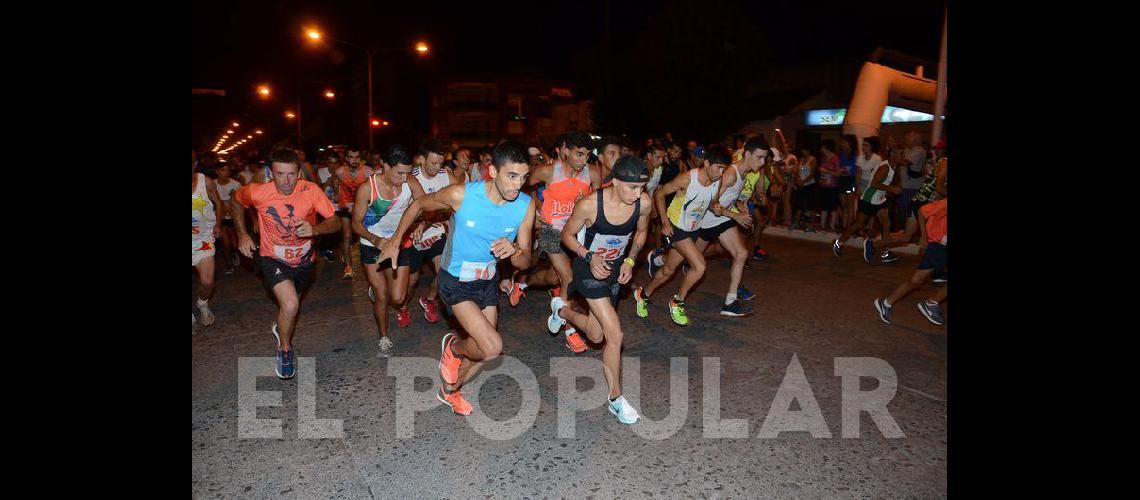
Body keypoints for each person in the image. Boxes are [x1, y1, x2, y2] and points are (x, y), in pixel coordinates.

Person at [378, 140, 536, 416]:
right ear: (493, 171)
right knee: (493, 344)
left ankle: (450, 392)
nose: (517, 185)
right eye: (512, 176)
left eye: (523, 177)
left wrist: (516, 250)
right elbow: (418, 206)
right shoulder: (461, 195)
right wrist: (395, 240)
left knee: (487, 353)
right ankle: (453, 347)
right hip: (455, 280)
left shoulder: (524, 205)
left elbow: (525, 261)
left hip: (487, 280)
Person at [548, 155, 651, 424]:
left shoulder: (644, 202)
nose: (638, 193)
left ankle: (563, 311)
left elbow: (641, 233)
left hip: (615, 269)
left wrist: (630, 259)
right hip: (588, 267)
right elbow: (566, 236)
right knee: (615, 334)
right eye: (632, 187)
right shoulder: (590, 204)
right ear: (615, 181)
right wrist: (589, 256)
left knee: (595, 335)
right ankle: (615, 399)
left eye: (642, 187)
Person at [231, 149, 340, 379]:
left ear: (299, 173)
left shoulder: (311, 191)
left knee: (289, 308)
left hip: (304, 260)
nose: (286, 181)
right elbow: (235, 200)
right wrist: (242, 234)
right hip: (272, 257)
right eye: (280, 174)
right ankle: (285, 349)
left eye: (291, 174)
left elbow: (335, 221)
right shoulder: (259, 192)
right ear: (271, 173)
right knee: (291, 305)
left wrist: (315, 229)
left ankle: (281, 326)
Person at [504, 132, 600, 352]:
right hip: (549, 230)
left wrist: (585, 203)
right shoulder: (548, 172)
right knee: (568, 277)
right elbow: (520, 187)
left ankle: (522, 283)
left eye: (587, 155)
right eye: (579, 154)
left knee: (553, 277)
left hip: (575, 232)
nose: (583, 160)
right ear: (565, 150)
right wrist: (534, 210)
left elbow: (598, 200)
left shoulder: (593, 173)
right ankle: (570, 330)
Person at [633, 145, 730, 326]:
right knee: (700, 266)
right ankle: (678, 301)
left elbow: (710, 202)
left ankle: (642, 294)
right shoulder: (687, 178)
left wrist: (715, 207)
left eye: (724, 169)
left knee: (669, 271)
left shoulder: (717, 182)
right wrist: (664, 221)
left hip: (693, 229)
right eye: (719, 167)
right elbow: (660, 193)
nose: (721, 172)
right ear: (707, 163)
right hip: (676, 227)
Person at [353, 145, 422, 356]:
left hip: (401, 243)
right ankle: (383, 336)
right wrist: (375, 239)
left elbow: (424, 204)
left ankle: (380, 292)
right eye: (399, 172)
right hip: (372, 245)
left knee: (399, 298)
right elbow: (356, 223)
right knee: (382, 295)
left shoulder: (409, 181)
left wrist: (421, 223)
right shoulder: (368, 188)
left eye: (407, 173)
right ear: (385, 166)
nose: (404, 178)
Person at [392, 139, 462, 327]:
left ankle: (429, 300)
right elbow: (402, 211)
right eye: (433, 163)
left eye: (440, 162)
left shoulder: (446, 176)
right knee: (412, 280)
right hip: (412, 239)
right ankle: (403, 307)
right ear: (422, 159)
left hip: (435, 234)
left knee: (444, 273)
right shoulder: (409, 178)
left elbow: (464, 195)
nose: (437, 166)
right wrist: (417, 223)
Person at [874, 197, 947, 326]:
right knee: (916, 281)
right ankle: (930, 304)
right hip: (938, 245)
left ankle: (886, 303)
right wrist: (924, 237)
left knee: (916, 281)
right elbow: (921, 211)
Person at [832, 137, 900, 261]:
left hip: (880, 199)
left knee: (886, 224)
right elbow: (874, 183)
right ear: (893, 155)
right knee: (858, 224)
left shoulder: (892, 165)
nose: (902, 156)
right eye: (900, 154)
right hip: (870, 198)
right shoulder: (885, 167)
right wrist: (891, 189)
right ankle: (839, 242)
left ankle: (885, 253)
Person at [192, 151, 226, 330]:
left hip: (203, 239)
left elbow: (219, 203)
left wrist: (217, 224)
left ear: (195, 164)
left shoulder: (206, 182)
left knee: (207, 282)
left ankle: (202, 304)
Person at [334, 149, 374, 279]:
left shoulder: (368, 171)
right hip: (345, 206)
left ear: (360, 158)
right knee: (346, 236)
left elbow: (374, 190)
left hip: (362, 206)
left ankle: (371, 262)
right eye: (351, 157)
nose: (354, 160)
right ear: (346, 158)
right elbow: (335, 186)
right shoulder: (340, 172)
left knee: (365, 235)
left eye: (357, 157)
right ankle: (348, 266)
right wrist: (337, 198)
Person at [214, 163, 243, 274]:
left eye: (228, 170)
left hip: (234, 218)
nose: (226, 173)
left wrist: (230, 206)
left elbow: (241, 203)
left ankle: (236, 254)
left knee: (235, 244)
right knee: (226, 243)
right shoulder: (212, 184)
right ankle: (229, 264)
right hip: (220, 218)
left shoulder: (236, 184)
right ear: (217, 171)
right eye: (223, 170)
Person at [817, 140, 844, 232]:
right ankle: (822, 225)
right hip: (823, 185)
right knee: (824, 206)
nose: (821, 149)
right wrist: (821, 174)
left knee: (833, 206)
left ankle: (832, 225)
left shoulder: (835, 158)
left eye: (823, 147)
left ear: (827, 147)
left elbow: (838, 174)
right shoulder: (823, 158)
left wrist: (826, 171)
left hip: (833, 186)